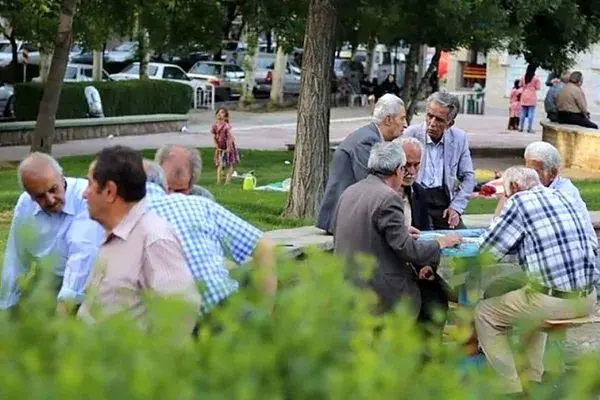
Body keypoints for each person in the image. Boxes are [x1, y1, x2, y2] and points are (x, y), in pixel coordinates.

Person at [476, 166, 597, 396]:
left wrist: (504, 203)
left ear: (513, 188)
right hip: (588, 297)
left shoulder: (519, 202)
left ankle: (510, 389)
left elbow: (487, 251)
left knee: (485, 313)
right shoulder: (563, 196)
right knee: (527, 292)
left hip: (555, 302)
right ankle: (533, 380)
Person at [332, 142, 462, 335]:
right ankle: (422, 361)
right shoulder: (388, 198)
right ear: (398, 170)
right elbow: (407, 249)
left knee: (434, 289)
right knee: (435, 300)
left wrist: (400, 229)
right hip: (380, 289)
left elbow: (358, 230)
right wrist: (440, 243)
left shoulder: (350, 191)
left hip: (349, 281)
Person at [78, 146, 201, 333]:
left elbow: (181, 311)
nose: (84, 194)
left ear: (110, 191)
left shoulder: (154, 238)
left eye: (90, 184)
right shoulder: (116, 234)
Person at [142, 160, 277, 317]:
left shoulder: (118, 217)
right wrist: (264, 314)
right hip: (227, 311)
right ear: (165, 186)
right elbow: (265, 245)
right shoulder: (200, 204)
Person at [0, 153, 104, 313]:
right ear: (30, 195)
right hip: (50, 279)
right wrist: (6, 305)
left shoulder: (85, 196)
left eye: (53, 189)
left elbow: (82, 255)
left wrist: (64, 307)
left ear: (62, 177)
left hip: (92, 282)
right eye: (39, 196)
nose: (50, 200)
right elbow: (15, 257)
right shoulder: (25, 204)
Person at [317, 93, 407, 234]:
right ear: (388, 120)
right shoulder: (367, 141)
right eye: (402, 118)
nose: (405, 124)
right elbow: (371, 185)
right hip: (343, 220)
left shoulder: (370, 136)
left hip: (348, 215)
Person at [403, 91, 476, 230]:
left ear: (450, 123)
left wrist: (456, 207)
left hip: (443, 201)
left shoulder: (459, 138)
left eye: (439, 120)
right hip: (415, 198)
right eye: (429, 116)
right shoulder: (410, 135)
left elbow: (468, 177)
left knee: (463, 242)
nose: (432, 123)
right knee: (426, 242)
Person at [211, 107, 240, 184]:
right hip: (220, 147)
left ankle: (228, 181)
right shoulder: (214, 126)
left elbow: (229, 138)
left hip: (228, 147)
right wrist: (216, 145)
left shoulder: (226, 126)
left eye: (222, 112)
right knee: (220, 164)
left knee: (230, 164)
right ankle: (218, 181)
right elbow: (214, 136)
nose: (220, 114)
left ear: (226, 117)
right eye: (218, 112)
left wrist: (229, 148)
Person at [518, 64, 541, 133]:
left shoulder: (523, 77)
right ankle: (529, 128)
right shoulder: (536, 78)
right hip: (532, 95)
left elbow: (520, 85)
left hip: (524, 95)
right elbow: (538, 88)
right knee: (531, 112)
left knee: (522, 112)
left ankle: (521, 127)